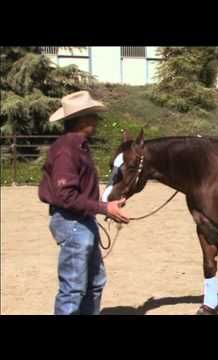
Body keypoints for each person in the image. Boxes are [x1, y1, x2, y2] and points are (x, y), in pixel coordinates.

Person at [39, 90, 130, 315]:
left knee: (95, 282)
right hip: (72, 223)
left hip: (81, 221)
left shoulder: (78, 146)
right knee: (72, 289)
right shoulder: (66, 150)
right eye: (93, 116)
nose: (97, 121)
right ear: (82, 120)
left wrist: (109, 203)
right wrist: (103, 207)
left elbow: (77, 191)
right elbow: (66, 195)